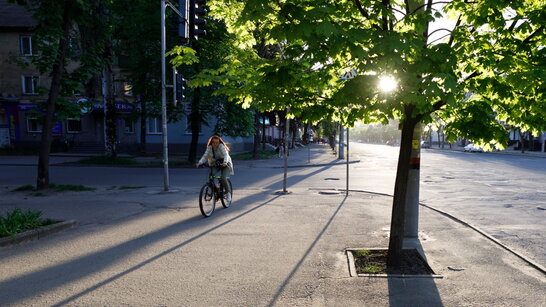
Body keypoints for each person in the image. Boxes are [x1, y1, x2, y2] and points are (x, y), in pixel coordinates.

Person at [196, 135, 233, 202]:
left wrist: (225, 162)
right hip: (216, 164)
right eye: (213, 142)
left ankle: (228, 193)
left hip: (225, 164)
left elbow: (226, 155)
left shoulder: (221, 146)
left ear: (219, 142)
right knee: (211, 174)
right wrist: (200, 162)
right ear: (211, 142)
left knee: (223, 178)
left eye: (217, 142)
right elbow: (205, 156)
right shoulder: (209, 148)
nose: (215, 144)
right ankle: (216, 187)